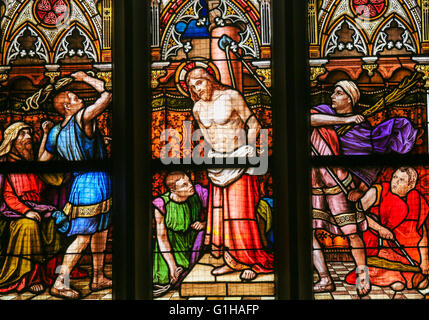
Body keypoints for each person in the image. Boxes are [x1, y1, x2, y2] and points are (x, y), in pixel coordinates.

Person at [186, 67, 274, 281]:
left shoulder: (232, 96)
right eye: (192, 87)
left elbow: (253, 124)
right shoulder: (197, 108)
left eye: (199, 83)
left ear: (209, 79)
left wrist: (250, 150)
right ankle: (231, 260)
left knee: (240, 215)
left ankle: (253, 261)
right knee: (221, 215)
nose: (196, 90)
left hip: (240, 161)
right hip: (217, 164)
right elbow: (206, 137)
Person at [38, 71, 112, 299]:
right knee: (82, 236)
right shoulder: (82, 118)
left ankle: (98, 277)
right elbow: (108, 94)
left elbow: (41, 161)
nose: (79, 97)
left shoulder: (55, 133)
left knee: (100, 230)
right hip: (94, 183)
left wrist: (44, 134)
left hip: (82, 183)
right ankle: (60, 282)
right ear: (67, 107)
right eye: (73, 96)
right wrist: (85, 77)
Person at [311, 80, 418, 201]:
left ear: (350, 99)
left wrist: (361, 190)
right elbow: (310, 120)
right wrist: (346, 120)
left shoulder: (361, 128)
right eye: (333, 92)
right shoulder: (325, 112)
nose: (332, 96)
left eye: (338, 93)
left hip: (340, 182)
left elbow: (371, 163)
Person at [0, 122, 64, 294]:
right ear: (11, 139)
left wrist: (45, 134)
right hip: (10, 216)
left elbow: (43, 163)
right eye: (22, 134)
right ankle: (29, 277)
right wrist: (26, 211)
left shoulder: (29, 162)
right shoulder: (4, 163)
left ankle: (51, 274)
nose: (28, 137)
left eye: (29, 133)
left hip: (36, 209)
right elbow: (8, 196)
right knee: (28, 226)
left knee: (52, 223)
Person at [345, 167, 429, 291]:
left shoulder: (417, 199)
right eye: (394, 177)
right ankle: (394, 277)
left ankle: (403, 276)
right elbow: (357, 213)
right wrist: (379, 229)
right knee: (397, 285)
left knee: (422, 284)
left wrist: (425, 260)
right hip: (381, 250)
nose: (394, 182)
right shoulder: (379, 191)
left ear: (410, 185)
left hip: (408, 255)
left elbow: (421, 232)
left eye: (401, 180)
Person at [152, 171, 207, 297]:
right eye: (184, 185)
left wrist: (204, 224)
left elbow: (218, 211)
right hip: (171, 247)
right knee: (167, 278)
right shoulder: (161, 204)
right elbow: (162, 237)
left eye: (189, 182)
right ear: (173, 190)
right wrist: (173, 266)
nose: (190, 186)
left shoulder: (198, 193)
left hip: (193, 245)